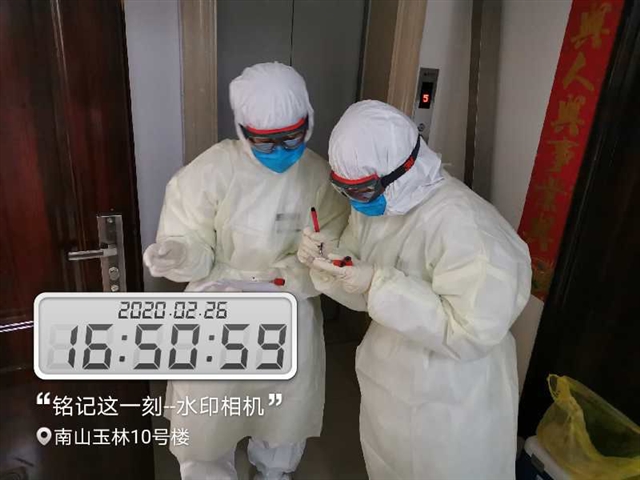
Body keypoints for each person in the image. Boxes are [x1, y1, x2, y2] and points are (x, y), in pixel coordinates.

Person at [299, 100, 532, 480]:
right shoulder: (379, 204)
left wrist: (378, 284)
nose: (355, 202)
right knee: (388, 463)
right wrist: (331, 259)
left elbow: (470, 332)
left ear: (405, 168)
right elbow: (362, 283)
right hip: (389, 372)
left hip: (453, 396)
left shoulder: (469, 228)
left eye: (362, 190)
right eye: (345, 190)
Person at [144, 62, 349, 480]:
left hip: (287, 304)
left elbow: (334, 243)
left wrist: (308, 263)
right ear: (242, 130)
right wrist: (178, 254)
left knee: (281, 408)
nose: (280, 150)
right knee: (208, 414)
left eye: (291, 137)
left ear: (308, 122)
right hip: (217, 306)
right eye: (265, 141)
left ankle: (275, 471)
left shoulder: (318, 176)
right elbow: (194, 245)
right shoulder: (211, 171)